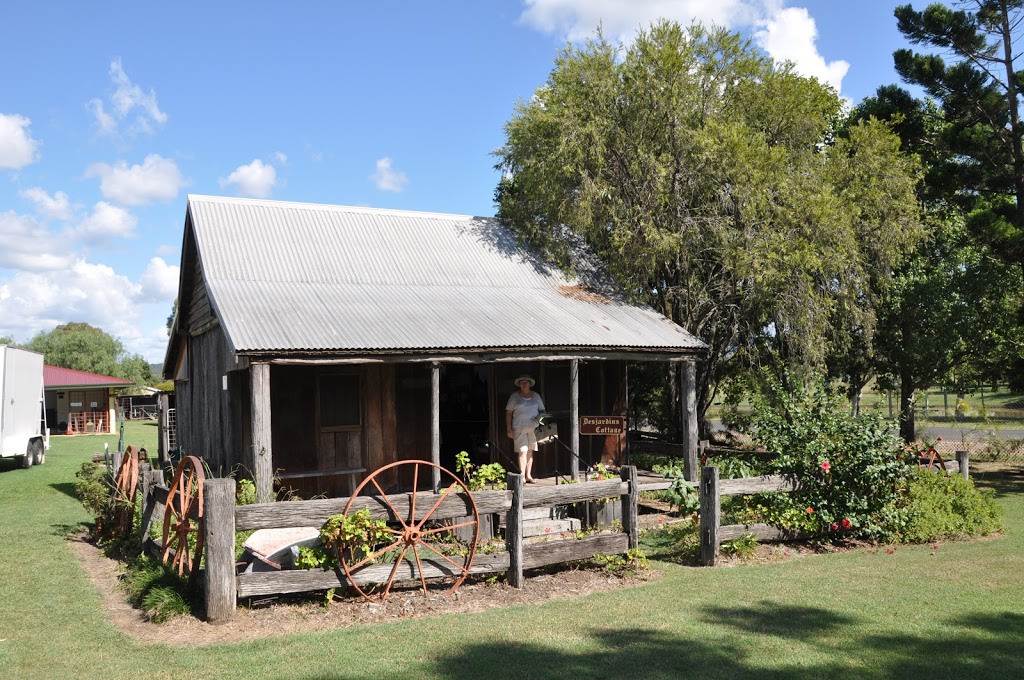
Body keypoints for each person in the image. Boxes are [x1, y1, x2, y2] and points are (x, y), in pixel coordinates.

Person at [505, 374, 545, 483]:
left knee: (530, 451)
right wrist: (509, 429)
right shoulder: (514, 396)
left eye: (526, 382)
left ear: (530, 384)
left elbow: (542, 411)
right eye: (522, 382)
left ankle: (529, 476)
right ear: (519, 385)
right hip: (519, 427)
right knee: (522, 451)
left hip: (533, 428)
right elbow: (508, 413)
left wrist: (539, 418)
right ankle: (522, 476)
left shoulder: (536, 396)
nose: (524, 384)